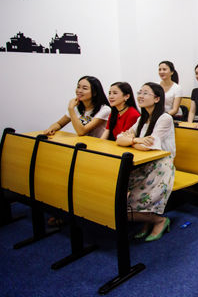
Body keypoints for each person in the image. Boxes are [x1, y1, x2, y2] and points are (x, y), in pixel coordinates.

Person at [116, 82, 175, 242]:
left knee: (124, 210)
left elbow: (149, 147)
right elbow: (119, 139)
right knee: (117, 198)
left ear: (156, 98)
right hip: (142, 164)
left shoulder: (165, 118)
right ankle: (149, 220)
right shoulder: (142, 118)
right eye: (139, 92)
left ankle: (159, 220)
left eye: (145, 93)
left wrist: (132, 141)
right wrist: (136, 140)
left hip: (161, 166)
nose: (140, 96)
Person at [43, 75, 110, 138]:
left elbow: (81, 132)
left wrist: (71, 109)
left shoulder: (105, 109)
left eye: (84, 88)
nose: (79, 91)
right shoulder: (76, 107)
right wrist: (51, 128)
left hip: (98, 146)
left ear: (95, 92)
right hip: (82, 143)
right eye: (78, 87)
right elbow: (59, 124)